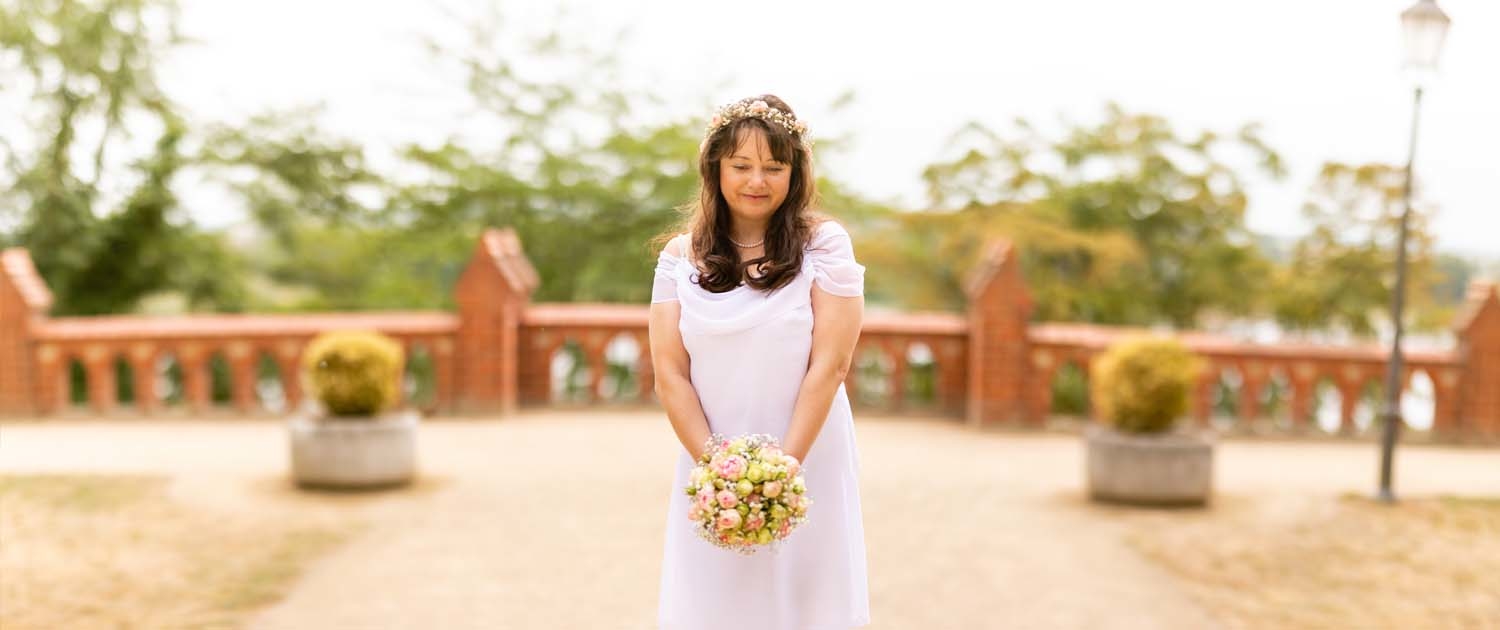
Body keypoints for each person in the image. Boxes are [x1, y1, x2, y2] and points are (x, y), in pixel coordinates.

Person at [649, 94, 871, 630]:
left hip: (808, 449)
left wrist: (785, 469)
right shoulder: (679, 258)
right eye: (742, 165)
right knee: (715, 598)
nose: (757, 180)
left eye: (774, 167)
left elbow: (831, 365)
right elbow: (669, 373)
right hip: (709, 456)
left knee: (808, 596)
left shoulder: (825, 246)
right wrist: (718, 470)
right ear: (716, 168)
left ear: (794, 175)